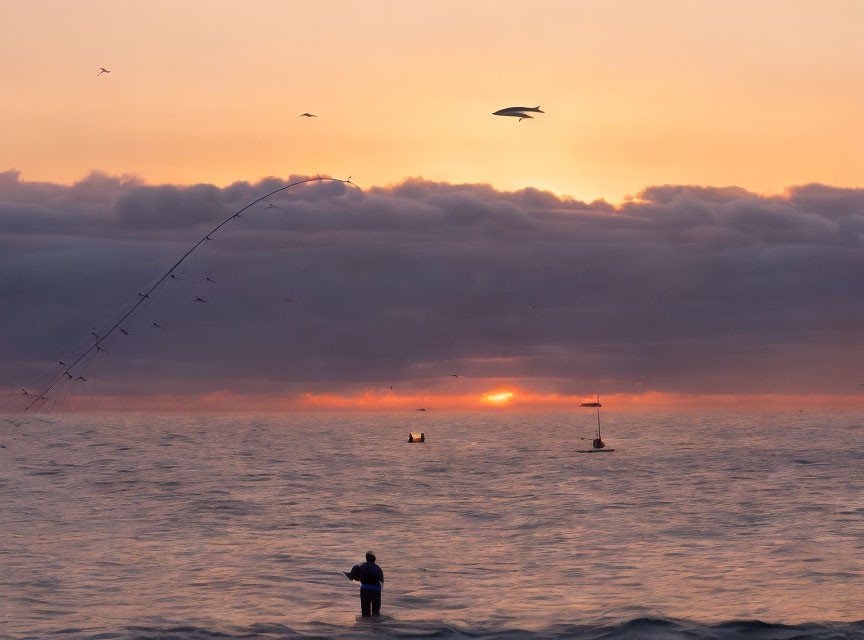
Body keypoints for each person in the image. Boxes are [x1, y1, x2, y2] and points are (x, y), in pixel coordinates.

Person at [345, 551, 384, 616]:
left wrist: (351, 577)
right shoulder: (378, 568)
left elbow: (354, 569)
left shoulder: (361, 565)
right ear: (374, 559)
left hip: (366, 589)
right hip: (377, 590)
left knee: (365, 613)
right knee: (376, 613)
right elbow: (381, 580)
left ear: (366, 559)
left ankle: (366, 624)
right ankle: (376, 625)